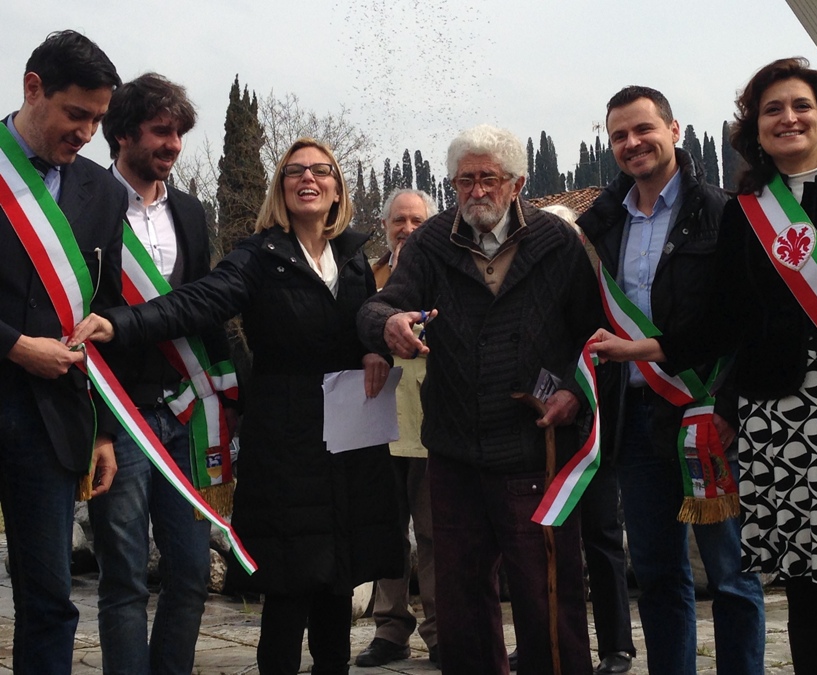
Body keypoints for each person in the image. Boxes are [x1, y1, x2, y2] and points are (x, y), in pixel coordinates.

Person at [609, 58, 817, 675]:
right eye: (772, 110)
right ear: (756, 127)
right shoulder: (746, 212)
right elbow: (725, 321)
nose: (787, 118)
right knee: (805, 593)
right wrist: (647, 349)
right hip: (776, 418)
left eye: (800, 106)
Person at [69, 138, 403, 675]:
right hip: (286, 441)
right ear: (280, 188)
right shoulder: (258, 256)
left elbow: (367, 320)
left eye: (321, 170)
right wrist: (122, 322)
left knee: (339, 578)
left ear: (338, 188)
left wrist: (373, 347)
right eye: (295, 171)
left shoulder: (353, 257)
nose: (308, 178)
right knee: (291, 582)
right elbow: (199, 301)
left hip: (347, 443)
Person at [357, 124, 601, 675]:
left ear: (517, 183)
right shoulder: (430, 242)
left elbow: (591, 336)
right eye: (464, 180)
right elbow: (380, 306)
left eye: (488, 178)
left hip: (534, 449)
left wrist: (573, 391)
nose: (476, 191)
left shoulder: (557, 242)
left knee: (549, 596)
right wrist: (388, 322)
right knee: (461, 604)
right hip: (455, 454)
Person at [577, 86, 765, 675]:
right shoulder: (603, 223)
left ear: (674, 129)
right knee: (658, 575)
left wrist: (728, 407)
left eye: (643, 129)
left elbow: (746, 321)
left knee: (731, 575)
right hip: (635, 421)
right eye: (619, 136)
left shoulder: (725, 212)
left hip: (706, 416)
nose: (632, 143)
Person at [88, 72, 237, 675]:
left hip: (185, 413)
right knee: (124, 577)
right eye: (160, 131)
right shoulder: (85, 203)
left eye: (178, 134)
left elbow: (201, 310)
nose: (173, 145)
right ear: (123, 133)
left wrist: (233, 393)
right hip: (120, 414)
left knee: (191, 572)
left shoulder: (192, 213)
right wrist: (96, 425)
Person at [0, 30, 124, 674]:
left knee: (49, 598)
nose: (87, 133)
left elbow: (99, 315)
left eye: (98, 120)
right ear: (33, 88)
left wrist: (100, 431)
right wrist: (15, 346)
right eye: (77, 114)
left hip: (50, 423)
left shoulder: (103, 193)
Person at [541, 204, 636, 675]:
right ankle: (551, 639)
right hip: (542, 426)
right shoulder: (534, 287)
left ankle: (616, 646)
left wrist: (580, 395)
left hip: (595, 430)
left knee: (602, 536)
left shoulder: (603, 289)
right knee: (546, 541)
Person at [356, 188, 440, 668]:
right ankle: (389, 630)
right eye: (399, 221)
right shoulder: (367, 277)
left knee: (434, 532)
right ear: (385, 226)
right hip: (380, 420)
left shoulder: (442, 270)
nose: (407, 229)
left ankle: (441, 630)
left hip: (432, 423)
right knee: (386, 530)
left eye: (417, 221)